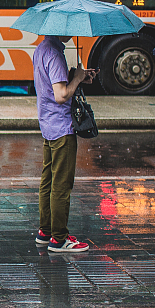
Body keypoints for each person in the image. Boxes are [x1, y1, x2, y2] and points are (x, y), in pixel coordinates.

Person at [32, 33, 94, 253]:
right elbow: (60, 95)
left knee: (47, 180)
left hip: (48, 124)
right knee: (61, 184)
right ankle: (59, 238)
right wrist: (76, 78)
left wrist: (77, 76)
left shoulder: (41, 49)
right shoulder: (56, 54)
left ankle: (45, 231)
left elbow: (51, 84)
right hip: (61, 127)